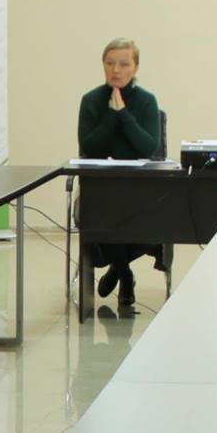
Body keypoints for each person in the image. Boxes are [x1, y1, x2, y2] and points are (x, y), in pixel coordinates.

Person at [75, 39, 165, 310]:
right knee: (103, 212)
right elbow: (90, 146)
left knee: (151, 215)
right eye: (110, 63)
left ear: (135, 67)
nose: (116, 70)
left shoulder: (147, 101)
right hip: (100, 189)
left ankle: (117, 270)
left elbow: (147, 147)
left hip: (139, 189)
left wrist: (123, 114)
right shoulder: (91, 101)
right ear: (103, 65)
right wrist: (111, 116)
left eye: (124, 64)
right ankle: (126, 275)